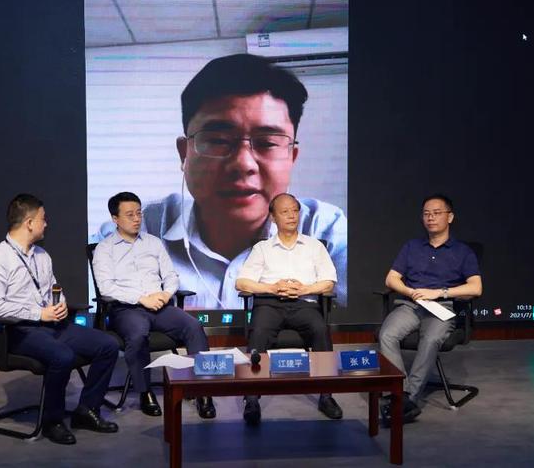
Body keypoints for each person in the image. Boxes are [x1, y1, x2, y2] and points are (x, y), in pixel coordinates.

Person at [91, 54, 347, 310]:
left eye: (268, 143)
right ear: (184, 154)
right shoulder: (134, 228)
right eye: (218, 140)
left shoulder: (325, 231)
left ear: (291, 157)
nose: (243, 164)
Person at [0, 194, 120, 445]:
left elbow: (53, 288)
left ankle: (87, 410)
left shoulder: (42, 255)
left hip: (52, 324)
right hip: (19, 331)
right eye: (43, 219)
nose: (47, 223)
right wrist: (38, 314)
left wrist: (60, 303)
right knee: (62, 356)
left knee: (107, 345)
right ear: (29, 223)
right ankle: (52, 421)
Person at [92, 191, 216, 419]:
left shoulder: (153, 243)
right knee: (138, 334)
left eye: (139, 213)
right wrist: (141, 298)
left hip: (160, 305)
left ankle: (203, 391)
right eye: (130, 215)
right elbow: (107, 288)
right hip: (127, 309)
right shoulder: (104, 249)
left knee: (193, 326)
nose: (137, 219)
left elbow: (171, 276)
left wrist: (166, 293)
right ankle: (145, 392)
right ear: (115, 219)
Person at [235, 193, 343, 424]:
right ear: (273, 217)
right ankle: (251, 399)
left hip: (304, 304)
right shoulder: (263, 248)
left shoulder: (314, 246)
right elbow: (242, 283)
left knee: (320, 329)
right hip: (269, 304)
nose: (291, 215)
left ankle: (326, 395)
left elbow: (329, 282)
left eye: (295, 210)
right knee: (258, 332)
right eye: (285, 212)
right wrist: (272, 288)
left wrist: (305, 289)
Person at [378, 194, 483, 424]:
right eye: (426, 214)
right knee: (387, 334)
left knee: (431, 338)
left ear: (450, 217)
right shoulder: (412, 246)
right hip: (411, 304)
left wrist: (440, 293)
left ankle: (408, 397)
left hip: (441, 307)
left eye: (436, 213)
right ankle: (400, 393)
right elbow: (391, 279)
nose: (431, 218)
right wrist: (410, 291)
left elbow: (476, 288)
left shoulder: (463, 251)